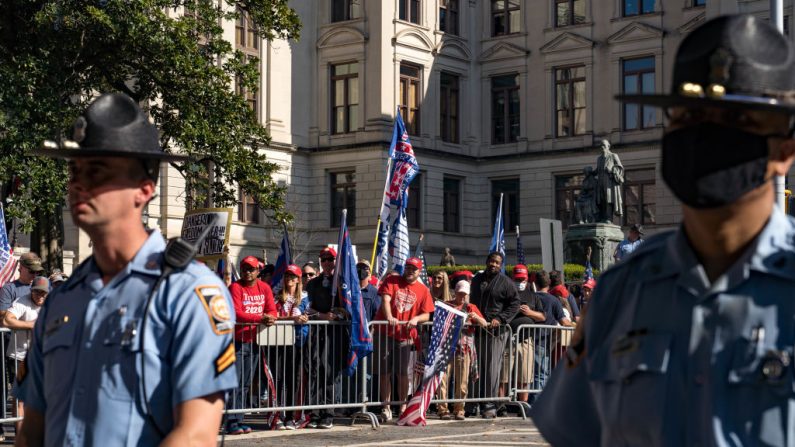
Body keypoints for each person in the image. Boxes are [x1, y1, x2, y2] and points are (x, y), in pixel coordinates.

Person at [532, 15, 795, 445]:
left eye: (736, 122)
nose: (707, 136)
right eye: (690, 115)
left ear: (785, 150)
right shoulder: (620, 294)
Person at [19, 92, 237, 446]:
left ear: (144, 190)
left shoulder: (187, 293)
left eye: (97, 171)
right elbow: (31, 431)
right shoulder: (62, 301)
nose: (78, 183)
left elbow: (195, 434)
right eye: (74, 170)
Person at [374, 257, 434, 422]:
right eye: (407, 268)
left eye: (413, 269)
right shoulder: (392, 280)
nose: (409, 271)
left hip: (405, 335)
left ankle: (402, 406)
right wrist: (389, 316)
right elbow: (385, 299)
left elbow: (427, 314)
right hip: (385, 332)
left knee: (402, 373)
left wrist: (416, 319)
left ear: (418, 271)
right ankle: (385, 407)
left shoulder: (423, 290)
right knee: (384, 371)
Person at [226, 255, 277, 435]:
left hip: (256, 341)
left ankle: (239, 419)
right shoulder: (235, 287)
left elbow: (272, 309)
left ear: (257, 271)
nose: (248, 272)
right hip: (237, 342)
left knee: (246, 383)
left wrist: (271, 317)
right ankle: (231, 421)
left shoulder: (264, 288)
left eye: (251, 269)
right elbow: (237, 313)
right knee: (235, 383)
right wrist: (260, 318)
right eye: (245, 268)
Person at [468, 252, 520, 418]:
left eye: (497, 263)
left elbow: (515, 304)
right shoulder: (476, 280)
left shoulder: (506, 282)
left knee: (491, 369)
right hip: (476, 329)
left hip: (495, 331)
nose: (494, 265)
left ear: (501, 265)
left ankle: (490, 404)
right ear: (486, 261)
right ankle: (472, 403)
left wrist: (500, 318)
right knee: (475, 367)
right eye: (491, 261)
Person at [304, 247, 347, 429]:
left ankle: (328, 413)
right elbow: (308, 307)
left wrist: (336, 315)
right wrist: (322, 315)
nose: (327, 262)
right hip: (316, 332)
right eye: (324, 259)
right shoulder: (313, 284)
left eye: (331, 259)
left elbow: (347, 308)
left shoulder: (343, 282)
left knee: (329, 372)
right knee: (314, 371)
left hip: (334, 335)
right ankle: (314, 413)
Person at [435, 281, 487, 420]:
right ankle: (442, 408)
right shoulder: (447, 305)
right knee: (443, 380)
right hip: (446, 348)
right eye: (460, 293)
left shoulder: (471, 307)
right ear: (455, 293)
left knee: (462, 381)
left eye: (465, 294)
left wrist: (475, 317)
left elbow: (484, 323)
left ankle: (459, 408)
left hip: (464, 348)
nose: (462, 297)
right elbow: (437, 321)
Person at [4, 276, 49, 434]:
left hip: (42, 359)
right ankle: (20, 436)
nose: (40, 296)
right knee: (21, 399)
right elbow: (7, 321)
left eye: (43, 293)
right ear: (31, 291)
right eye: (37, 292)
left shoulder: (52, 304)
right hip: (19, 357)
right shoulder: (22, 302)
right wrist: (30, 325)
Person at [271, 264, 310, 430]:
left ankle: (290, 416)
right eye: (287, 275)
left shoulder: (305, 297)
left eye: (293, 277)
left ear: (298, 279)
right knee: (279, 378)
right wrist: (289, 319)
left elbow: (308, 314)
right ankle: (278, 414)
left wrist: (304, 318)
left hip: (297, 341)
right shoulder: (277, 295)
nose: (290, 279)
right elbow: (273, 316)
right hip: (279, 341)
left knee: (292, 379)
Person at [528, 270, 572, 407]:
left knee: (531, 374)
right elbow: (564, 322)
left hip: (527, 339)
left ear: (535, 283)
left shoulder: (530, 297)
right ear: (549, 284)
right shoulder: (554, 301)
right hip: (542, 340)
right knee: (541, 373)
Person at [504, 265, 546, 405]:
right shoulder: (507, 294)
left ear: (527, 279)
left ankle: (523, 404)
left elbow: (542, 316)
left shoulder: (533, 296)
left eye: (522, 279)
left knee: (525, 375)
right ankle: (501, 404)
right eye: (517, 279)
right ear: (512, 278)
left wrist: (530, 313)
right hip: (507, 339)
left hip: (526, 340)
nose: (520, 282)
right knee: (504, 375)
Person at [0, 252, 43, 320]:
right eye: (31, 271)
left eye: (37, 272)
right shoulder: (9, 289)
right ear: (21, 268)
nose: (35, 275)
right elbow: (3, 315)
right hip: (19, 329)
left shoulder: (44, 286)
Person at [594, 139, 624, 222]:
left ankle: (608, 218)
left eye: (604, 145)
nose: (602, 147)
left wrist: (611, 170)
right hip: (600, 181)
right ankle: (602, 217)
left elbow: (620, 167)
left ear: (608, 146)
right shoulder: (599, 159)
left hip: (609, 182)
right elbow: (597, 170)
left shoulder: (613, 156)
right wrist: (590, 173)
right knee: (601, 199)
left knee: (609, 199)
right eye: (601, 145)